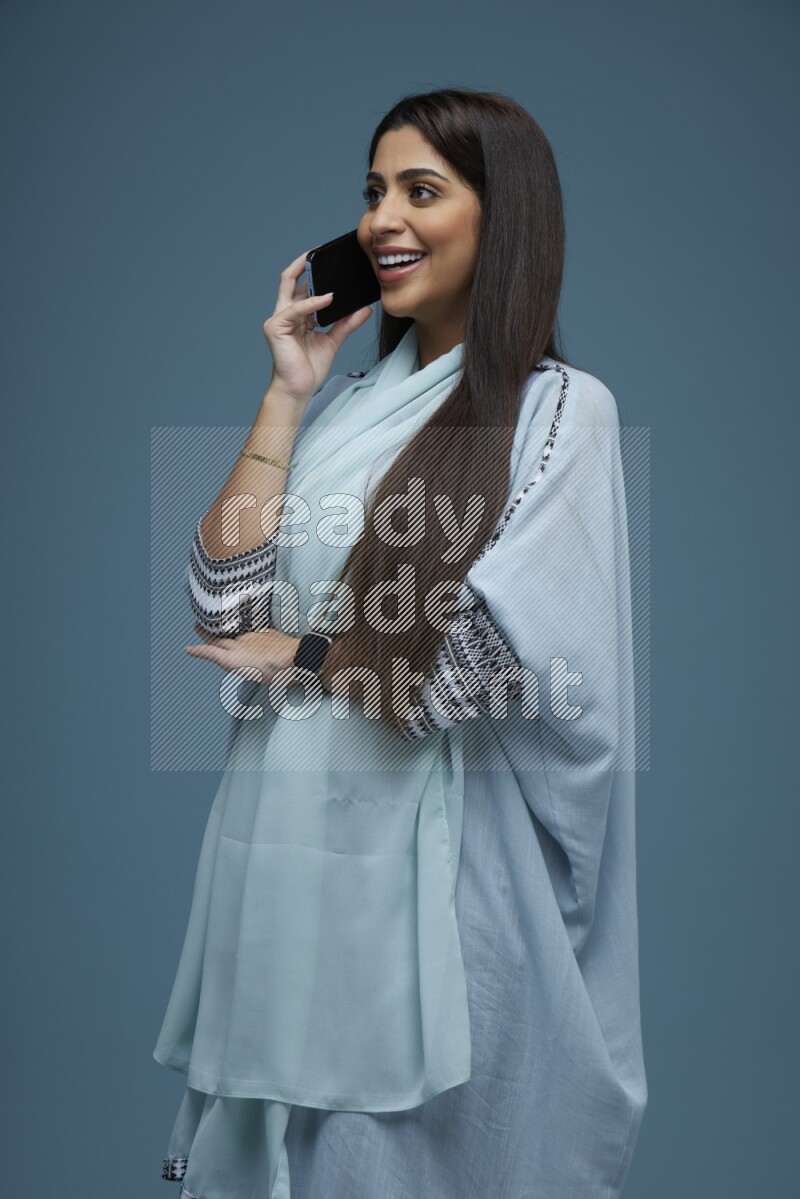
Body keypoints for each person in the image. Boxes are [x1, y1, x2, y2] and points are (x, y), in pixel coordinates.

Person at [153, 87, 648, 1199]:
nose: (383, 219)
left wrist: (317, 657)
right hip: (288, 866)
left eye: (422, 190)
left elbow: (504, 658)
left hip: (442, 891)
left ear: (501, 215)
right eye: (373, 191)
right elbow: (223, 610)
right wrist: (285, 397)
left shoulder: (558, 412)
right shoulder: (347, 409)